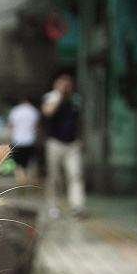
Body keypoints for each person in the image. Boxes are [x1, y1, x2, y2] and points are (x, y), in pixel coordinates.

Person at [41, 70, 85, 217]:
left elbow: (80, 121)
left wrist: (81, 139)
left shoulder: (76, 100)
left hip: (73, 144)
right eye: (62, 83)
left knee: (76, 175)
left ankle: (77, 206)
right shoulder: (50, 98)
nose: (66, 86)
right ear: (56, 84)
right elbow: (48, 113)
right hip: (54, 143)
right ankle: (53, 206)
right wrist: (59, 96)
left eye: (68, 83)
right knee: (54, 177)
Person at [6, 94, 40, 185]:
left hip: (17, 140)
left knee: (18, 163)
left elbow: (10, 126)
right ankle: (27, 179)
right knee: (28, 162)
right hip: (30, 140)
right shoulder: (34, 111)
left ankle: (21, 180)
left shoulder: (15, 111)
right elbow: (36, 127)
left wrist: (8, 140)